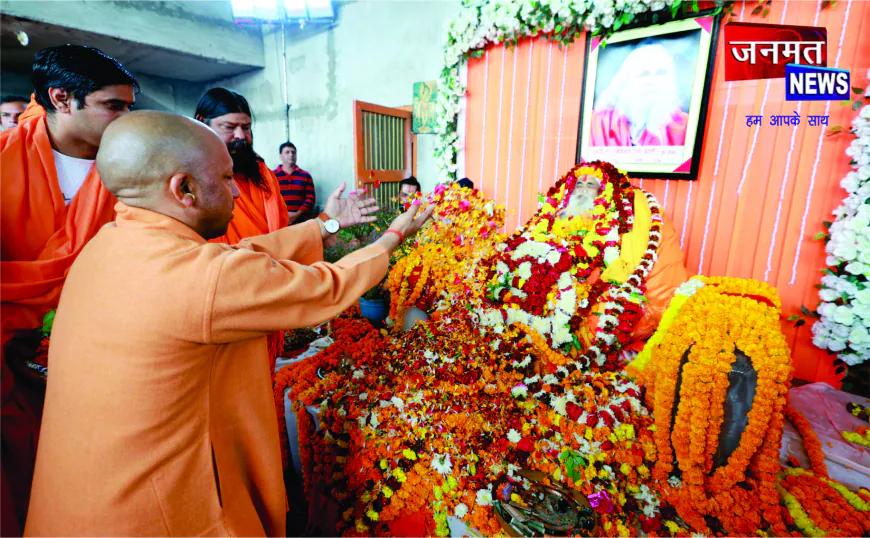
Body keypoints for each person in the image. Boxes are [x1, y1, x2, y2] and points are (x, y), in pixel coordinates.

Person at [25, 111, 436, 537]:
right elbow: (325, 287)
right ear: (183, 188)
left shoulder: (105, 246)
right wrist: (392, 238)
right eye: (224, 178)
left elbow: (240, 255)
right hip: (155, 515)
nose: (238, 191)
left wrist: (325, 226)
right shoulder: (201, 279)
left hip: (73, 505)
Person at [0, 45, 137, 537]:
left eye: (129, 107)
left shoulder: (136, 168)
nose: (126, 118)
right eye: (113, 106)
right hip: (8, 356)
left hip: (108, 359)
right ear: (61, 98)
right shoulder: (2, 160)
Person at [194, 88, 289, 244]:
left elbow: (283, 231)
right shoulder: (190, 180)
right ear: (201, 122)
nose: (240, 136)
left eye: (246, 128)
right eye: (229, 127)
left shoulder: (264, 174)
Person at [590, 43, 688, 147]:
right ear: (626, 82)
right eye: (644, 74)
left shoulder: (686, 124)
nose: (653, 81)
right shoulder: (597, 123)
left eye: (660, 73)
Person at [275, 141, 316, 224]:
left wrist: (298, 214)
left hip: (301, 222)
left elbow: (310, 198)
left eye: (293, 152)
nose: (291, 155)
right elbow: (270, 199)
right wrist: (282, 214)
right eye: (287, 152)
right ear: (281, 156)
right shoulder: (272, 176)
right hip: (278, 221)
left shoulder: (305, 176)